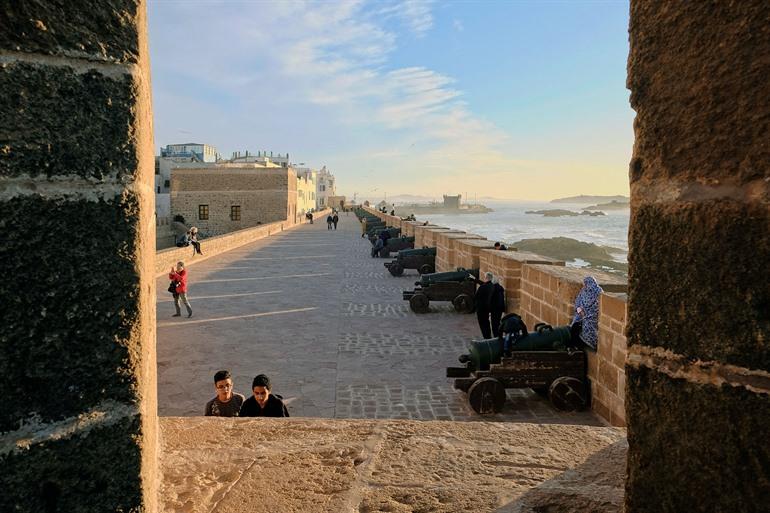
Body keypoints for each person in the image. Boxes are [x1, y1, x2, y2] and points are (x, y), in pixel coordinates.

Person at [571, 276, 603, 350]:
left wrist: (586, 313)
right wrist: (580, 310)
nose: (584, 286)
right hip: (580, 314)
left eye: (585, 284)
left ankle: (588, 345)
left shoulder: (598, 292)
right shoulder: (583, 291)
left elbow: (596, 307)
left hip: (590, 316)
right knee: (575, 327)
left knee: (588, 328)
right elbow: (578, 301)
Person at [474, 272, 495, 339]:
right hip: (487, 307)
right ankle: (488, 335)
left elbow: (476, 296)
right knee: (486, 322)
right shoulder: (491, 286)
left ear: (486, 278)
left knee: (482, 323)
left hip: (481, 308)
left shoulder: (482, 287)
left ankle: (485, 336)